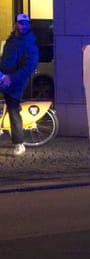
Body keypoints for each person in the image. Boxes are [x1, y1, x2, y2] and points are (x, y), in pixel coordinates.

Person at [1, 13, 39, 155]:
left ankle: (19, 143)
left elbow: (29, 66)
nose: (22, 26)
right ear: (15, 24)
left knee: (13, 109)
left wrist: (11, 77)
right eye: (20, 23)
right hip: (3, 78)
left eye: (25, 23)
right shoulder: (11, 39)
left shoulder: (30, 43)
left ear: (28, 25)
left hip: (15, 82)